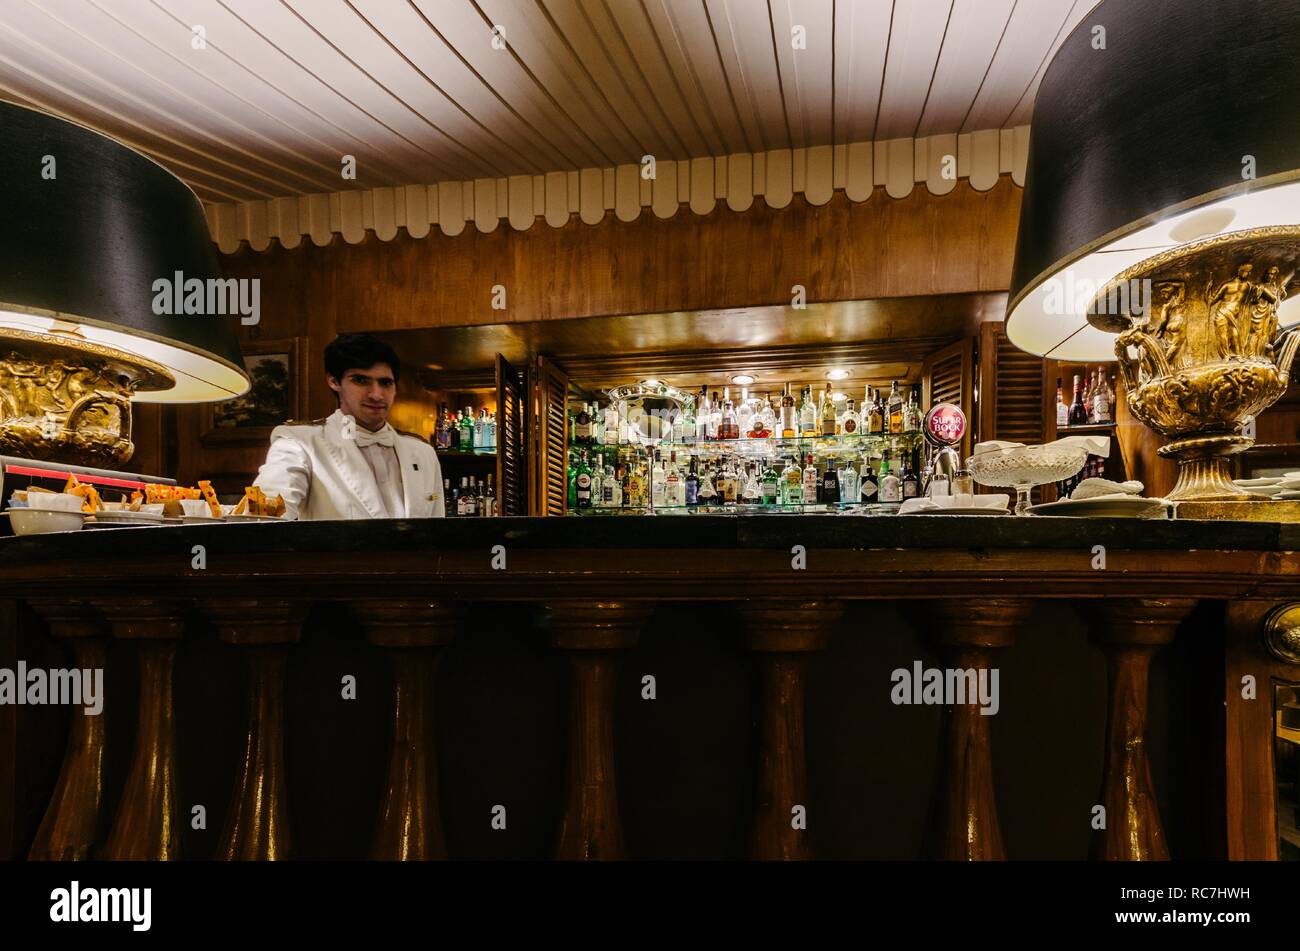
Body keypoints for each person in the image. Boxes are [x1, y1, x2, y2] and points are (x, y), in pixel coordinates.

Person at [254, 333, 444, 520]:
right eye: (361, 380)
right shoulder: (298, 443)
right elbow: (263, 515)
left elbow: (438, 534)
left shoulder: (423, 451)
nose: (376, 395)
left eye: (385, 382)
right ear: (334, 381)